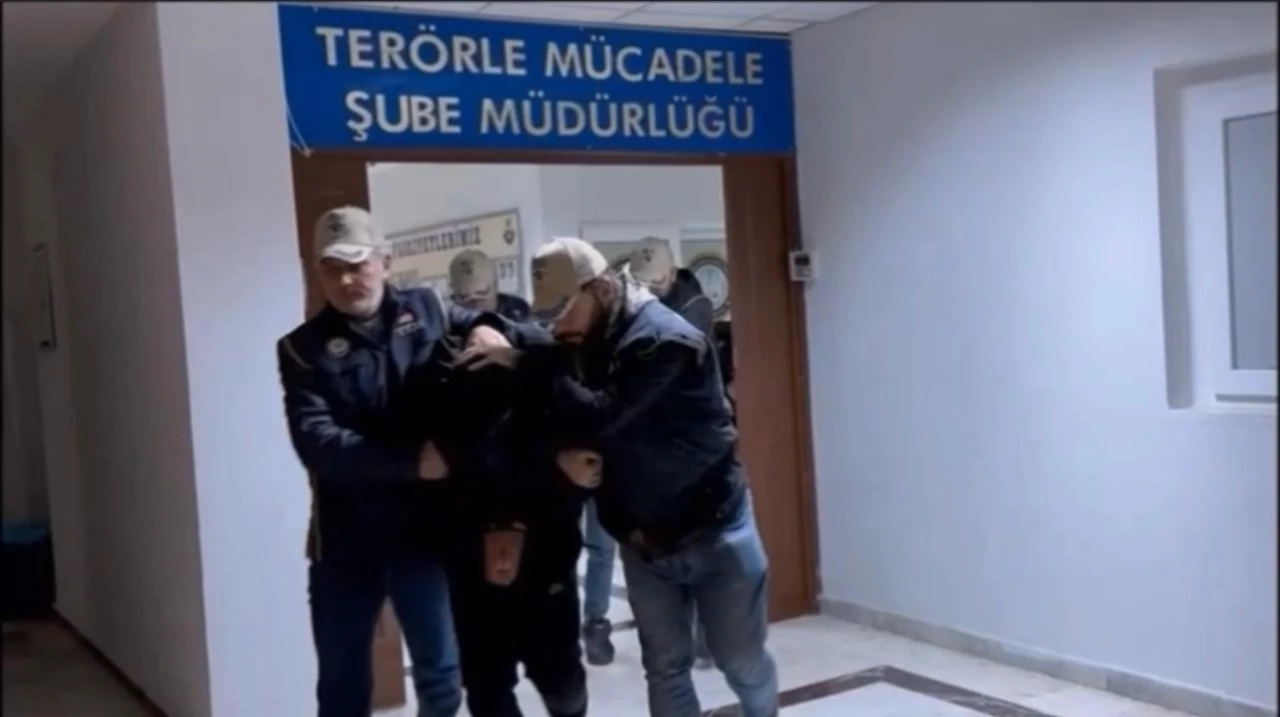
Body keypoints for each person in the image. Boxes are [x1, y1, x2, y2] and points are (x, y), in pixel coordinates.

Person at [460, 237, 779, 717]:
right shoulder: (582, 334)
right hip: (643, 539)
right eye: (550, 315)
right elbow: (528, 341)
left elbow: (601, 415)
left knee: (741, 663)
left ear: (603, 288)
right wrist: (487, 326)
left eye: (565, 310)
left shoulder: (664, 340)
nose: (558, 326)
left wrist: (522, 362)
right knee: (665, 667)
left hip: (715, 530)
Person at [276, 206, 513, 717]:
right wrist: (409, 463)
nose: (346, 279)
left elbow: (475, 321)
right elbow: (317, 442)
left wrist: (485, 327)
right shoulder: (302, 350)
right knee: (342, 684)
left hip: (423, 535)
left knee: (441, 676)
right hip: (345, 540)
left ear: (384, 261)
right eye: (332, 267)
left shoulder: (426, 308)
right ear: (316, 271)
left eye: (357, 264)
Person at [438, 272, 589, 717]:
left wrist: (531, 512)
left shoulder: (542, 352)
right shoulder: (439, 360)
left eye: (479, 294)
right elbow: (441, 456)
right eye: (464, 297)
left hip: (546, 543)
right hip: (470, 551)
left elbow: (579, 449)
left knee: (561, 681)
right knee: (486, 686)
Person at [579, 238, 716, 668]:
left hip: (674, 456)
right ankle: (601, 625)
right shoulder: (618, 318)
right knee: (608, 546)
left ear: (672, 276)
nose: (649, 295)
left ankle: (698, 634)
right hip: (623, 452)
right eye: (642, 286)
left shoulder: (689, 315)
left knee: (689, 545)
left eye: (656, 286)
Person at [448, 248, 531, 320]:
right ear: (454, 297)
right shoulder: (449, 322)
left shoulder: (520, 315)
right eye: (464, 297)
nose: (477, 305)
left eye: (482, 293)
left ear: (496, 287)